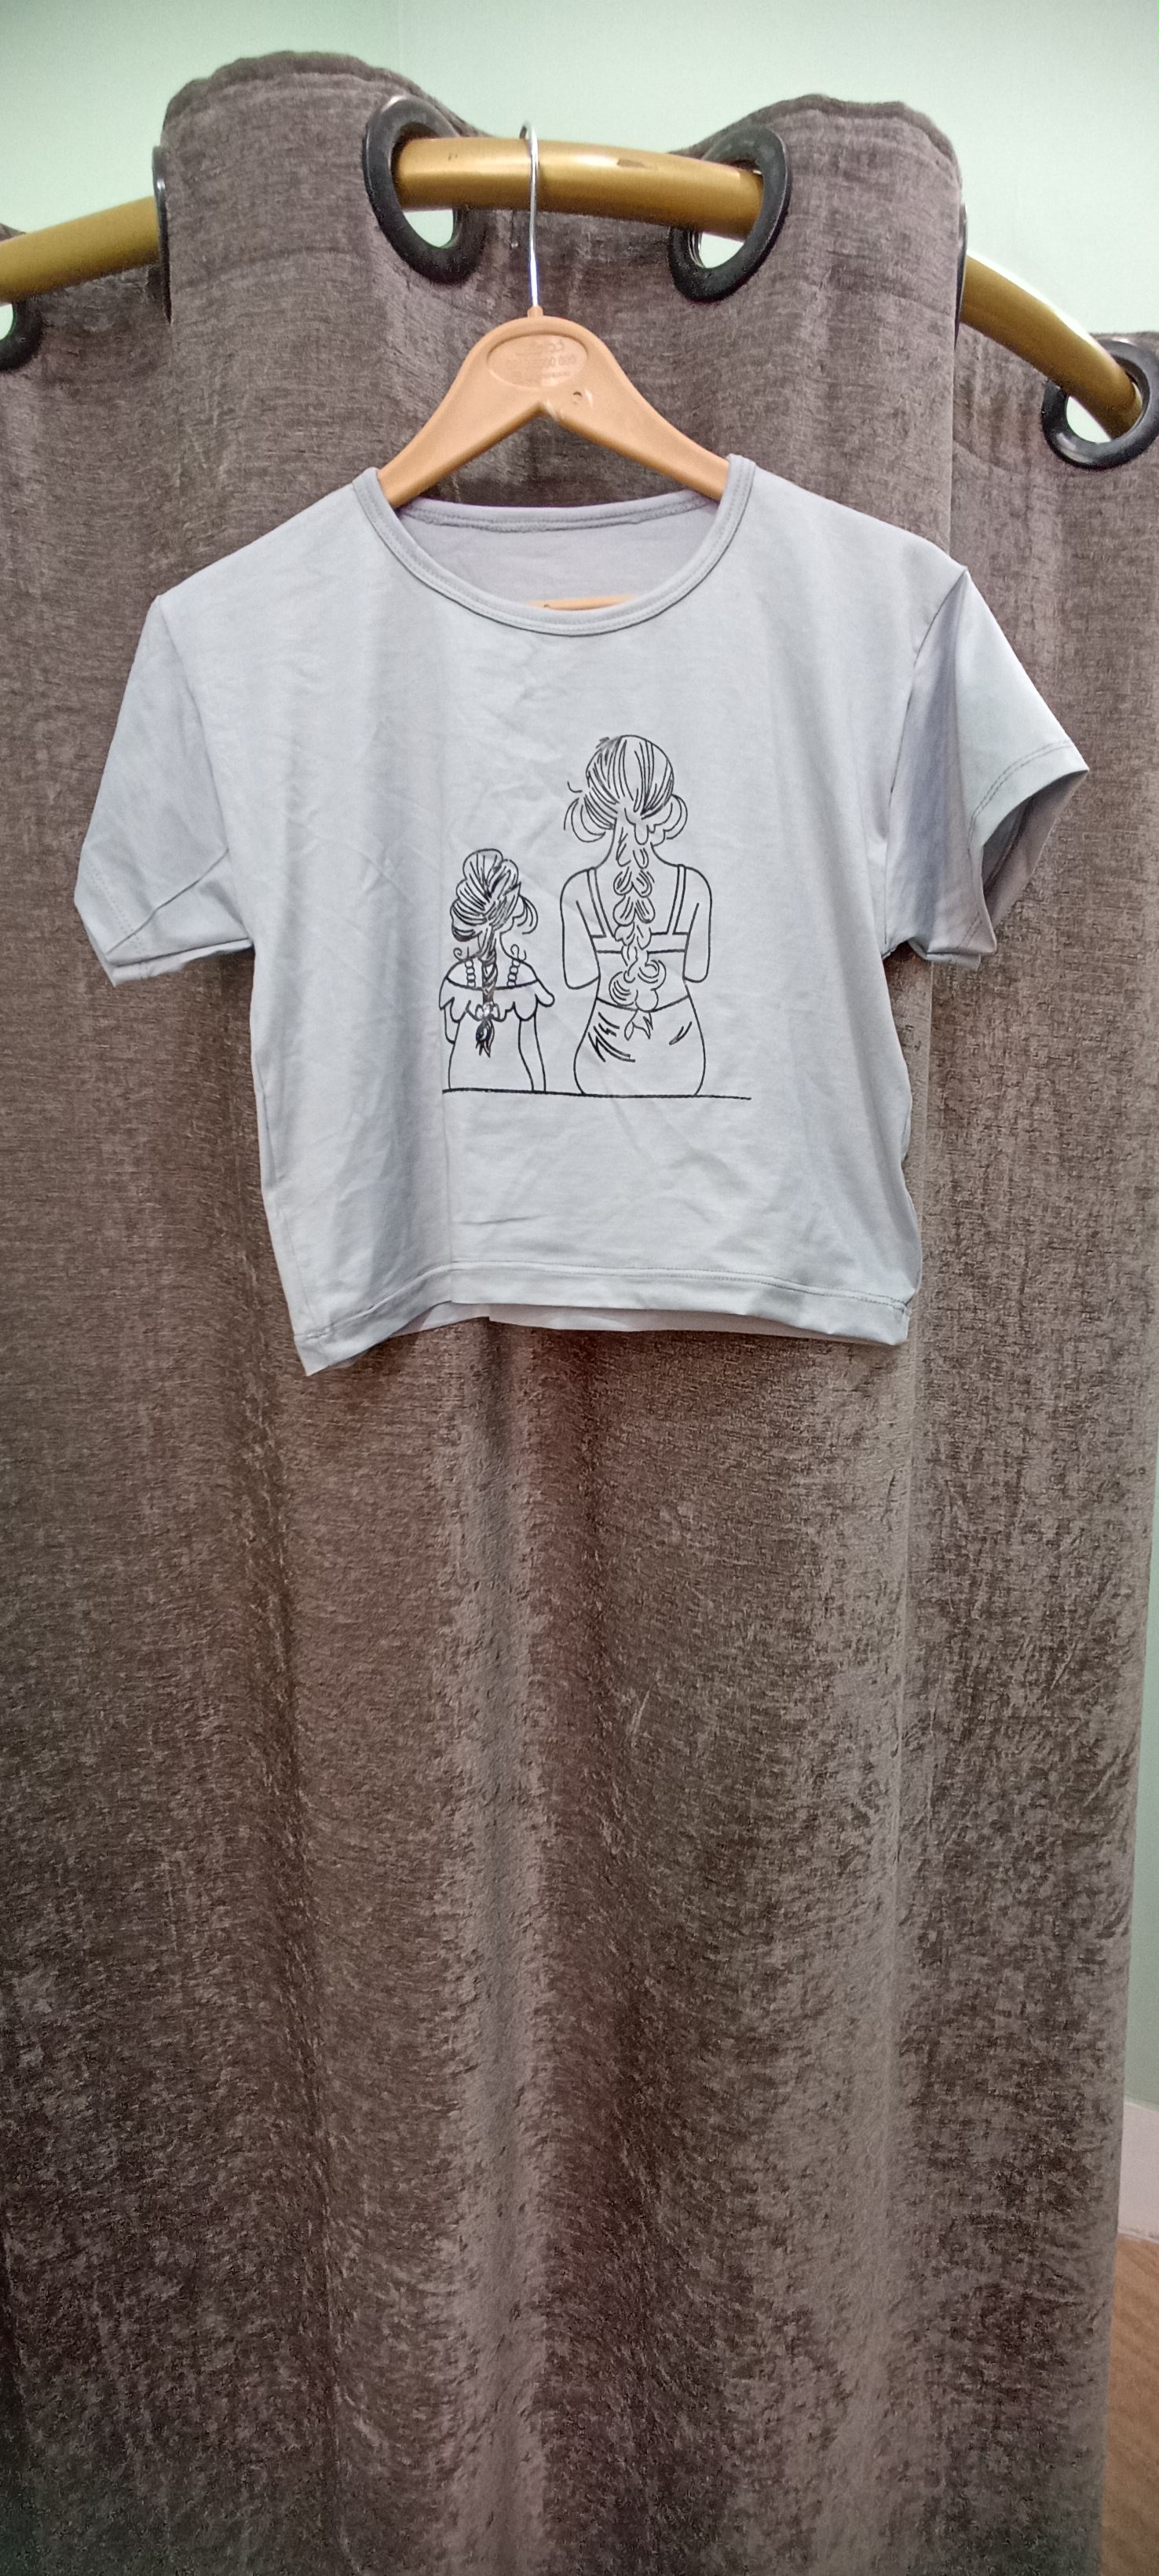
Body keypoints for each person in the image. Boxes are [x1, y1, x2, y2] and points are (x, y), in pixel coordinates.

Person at [560, 734, 711, 1096]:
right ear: (662, 800)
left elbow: (577, 978)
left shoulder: (579, 890)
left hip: (602, 1063)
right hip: (682, 1063)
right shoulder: (693, 887)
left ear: (598, 802)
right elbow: (696, 971)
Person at [440, 847, 554, 1091]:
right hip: (514, 1091)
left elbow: (450, 1035)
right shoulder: (522, 976)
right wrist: (542, 1094)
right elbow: (530, 1048)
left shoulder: (456, 977)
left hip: (464, 1089)